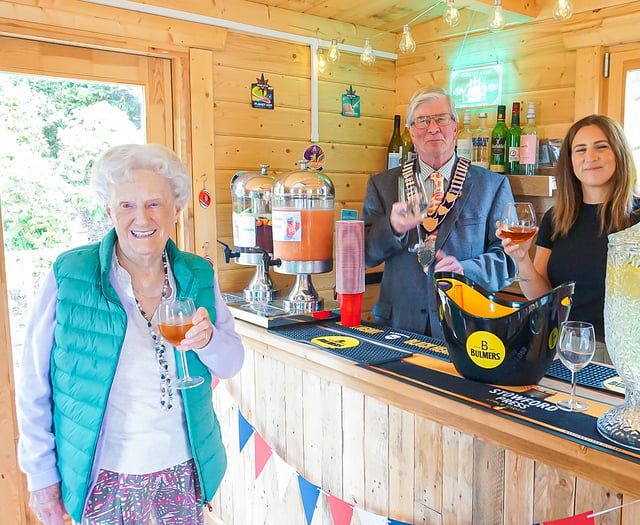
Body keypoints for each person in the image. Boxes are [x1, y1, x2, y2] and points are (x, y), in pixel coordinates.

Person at [16, 143, 245, 525]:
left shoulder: (197, 273)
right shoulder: (71, 274)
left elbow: (232, 361)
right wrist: (42, 478)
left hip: (184, 472)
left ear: (176, 209)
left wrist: (208, 341)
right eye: (126, 205)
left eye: (155, 203)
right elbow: (34, 384)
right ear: (109, 211)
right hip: (104, 477)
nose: (142, 217)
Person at [362, 86, 515, 338]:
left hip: (467, 325)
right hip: (397, 324)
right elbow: (365, 256)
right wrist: (393, 228)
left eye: (441, 119)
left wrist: (467, 270)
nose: (433, 128)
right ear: (411, 132)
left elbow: (508, 261)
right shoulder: (383, 185)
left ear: (455, 128)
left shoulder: (493, 186)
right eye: (422, 121)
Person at [496, 114, 640, 362]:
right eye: (580, 150)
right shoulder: (557, 217)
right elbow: (541, 297)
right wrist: (521, 260)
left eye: (601, 147)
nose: (590, 157)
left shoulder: (636, 221)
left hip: (623, 353)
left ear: (619, 153)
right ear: (570, 161)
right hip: (562, 346)